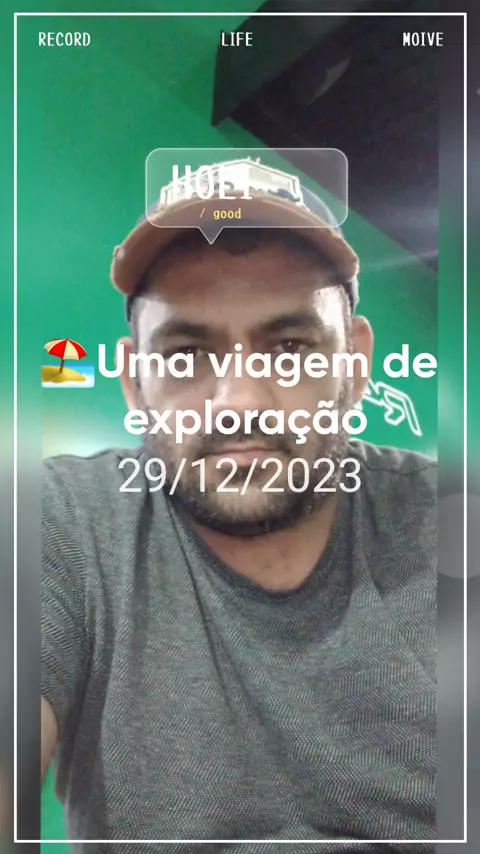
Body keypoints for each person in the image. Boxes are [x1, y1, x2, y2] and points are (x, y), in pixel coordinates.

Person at [41, 161, 436, 852]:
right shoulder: (63, 523)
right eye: (187, 354)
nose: (241, 402)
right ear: (133, 381)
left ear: (354, 364)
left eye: (290, 347)